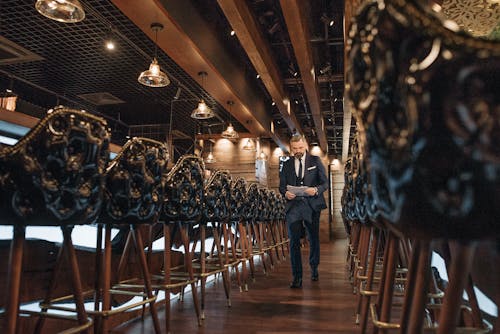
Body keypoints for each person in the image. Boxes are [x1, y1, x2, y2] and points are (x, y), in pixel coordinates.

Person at [279, 134, 328, 288]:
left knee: (313, 238)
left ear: (305, 145)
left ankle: (314, 268)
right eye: (294, 149)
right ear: (290, 147)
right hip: (293, 206)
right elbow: (282, 186)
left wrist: (316, 189)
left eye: (300, 148)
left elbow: (325, 183)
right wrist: (285, 193)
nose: (297, 151)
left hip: (311, 205)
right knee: (293, 241)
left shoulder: (315, 161)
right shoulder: (286, 165)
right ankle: (297, 276)